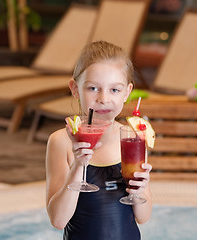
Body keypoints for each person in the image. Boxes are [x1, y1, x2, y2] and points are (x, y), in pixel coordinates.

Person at [45, 41, 153, 240]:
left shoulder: (133, 138)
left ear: (127, 92)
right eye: (93, 88)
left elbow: (143, 218)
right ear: (75, 89)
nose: (104, 98)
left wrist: (139, 191)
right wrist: (78, 165)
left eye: (114, 90)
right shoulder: (61, 142)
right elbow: (58, 220)